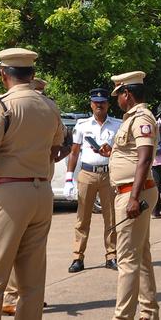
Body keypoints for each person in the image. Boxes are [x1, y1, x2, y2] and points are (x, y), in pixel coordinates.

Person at [0, 49, 65, 320]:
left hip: (8, 193)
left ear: (3, 74)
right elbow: (56, 149)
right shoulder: (50, 106)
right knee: (32, 284)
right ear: (32, 75)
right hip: (41, 192)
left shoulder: (2, 105)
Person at [108, 70, 161, 319]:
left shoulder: (142, 117)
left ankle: (123, 316)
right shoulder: (132, 118)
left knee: (127, 259)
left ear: (126, 94)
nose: (116, 99)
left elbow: (145, 157)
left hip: (134, 192)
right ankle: (149, 312)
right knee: (140, 256)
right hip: (131, 191)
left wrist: (132, 198)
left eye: (118, 94)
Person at [64, 88, 121, 273]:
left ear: (108, 105)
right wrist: (68, 178)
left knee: (111, 217)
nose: (99, 105)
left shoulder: (117, 125)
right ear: (91, 104)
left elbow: (121, 151)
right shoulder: (82, 125)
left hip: (108, 174)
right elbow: (74, 152)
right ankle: (77, 257)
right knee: (82, 218)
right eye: (96, 103)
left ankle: (111, 255)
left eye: (103, 102)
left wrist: (111, 151)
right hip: (87, 174)